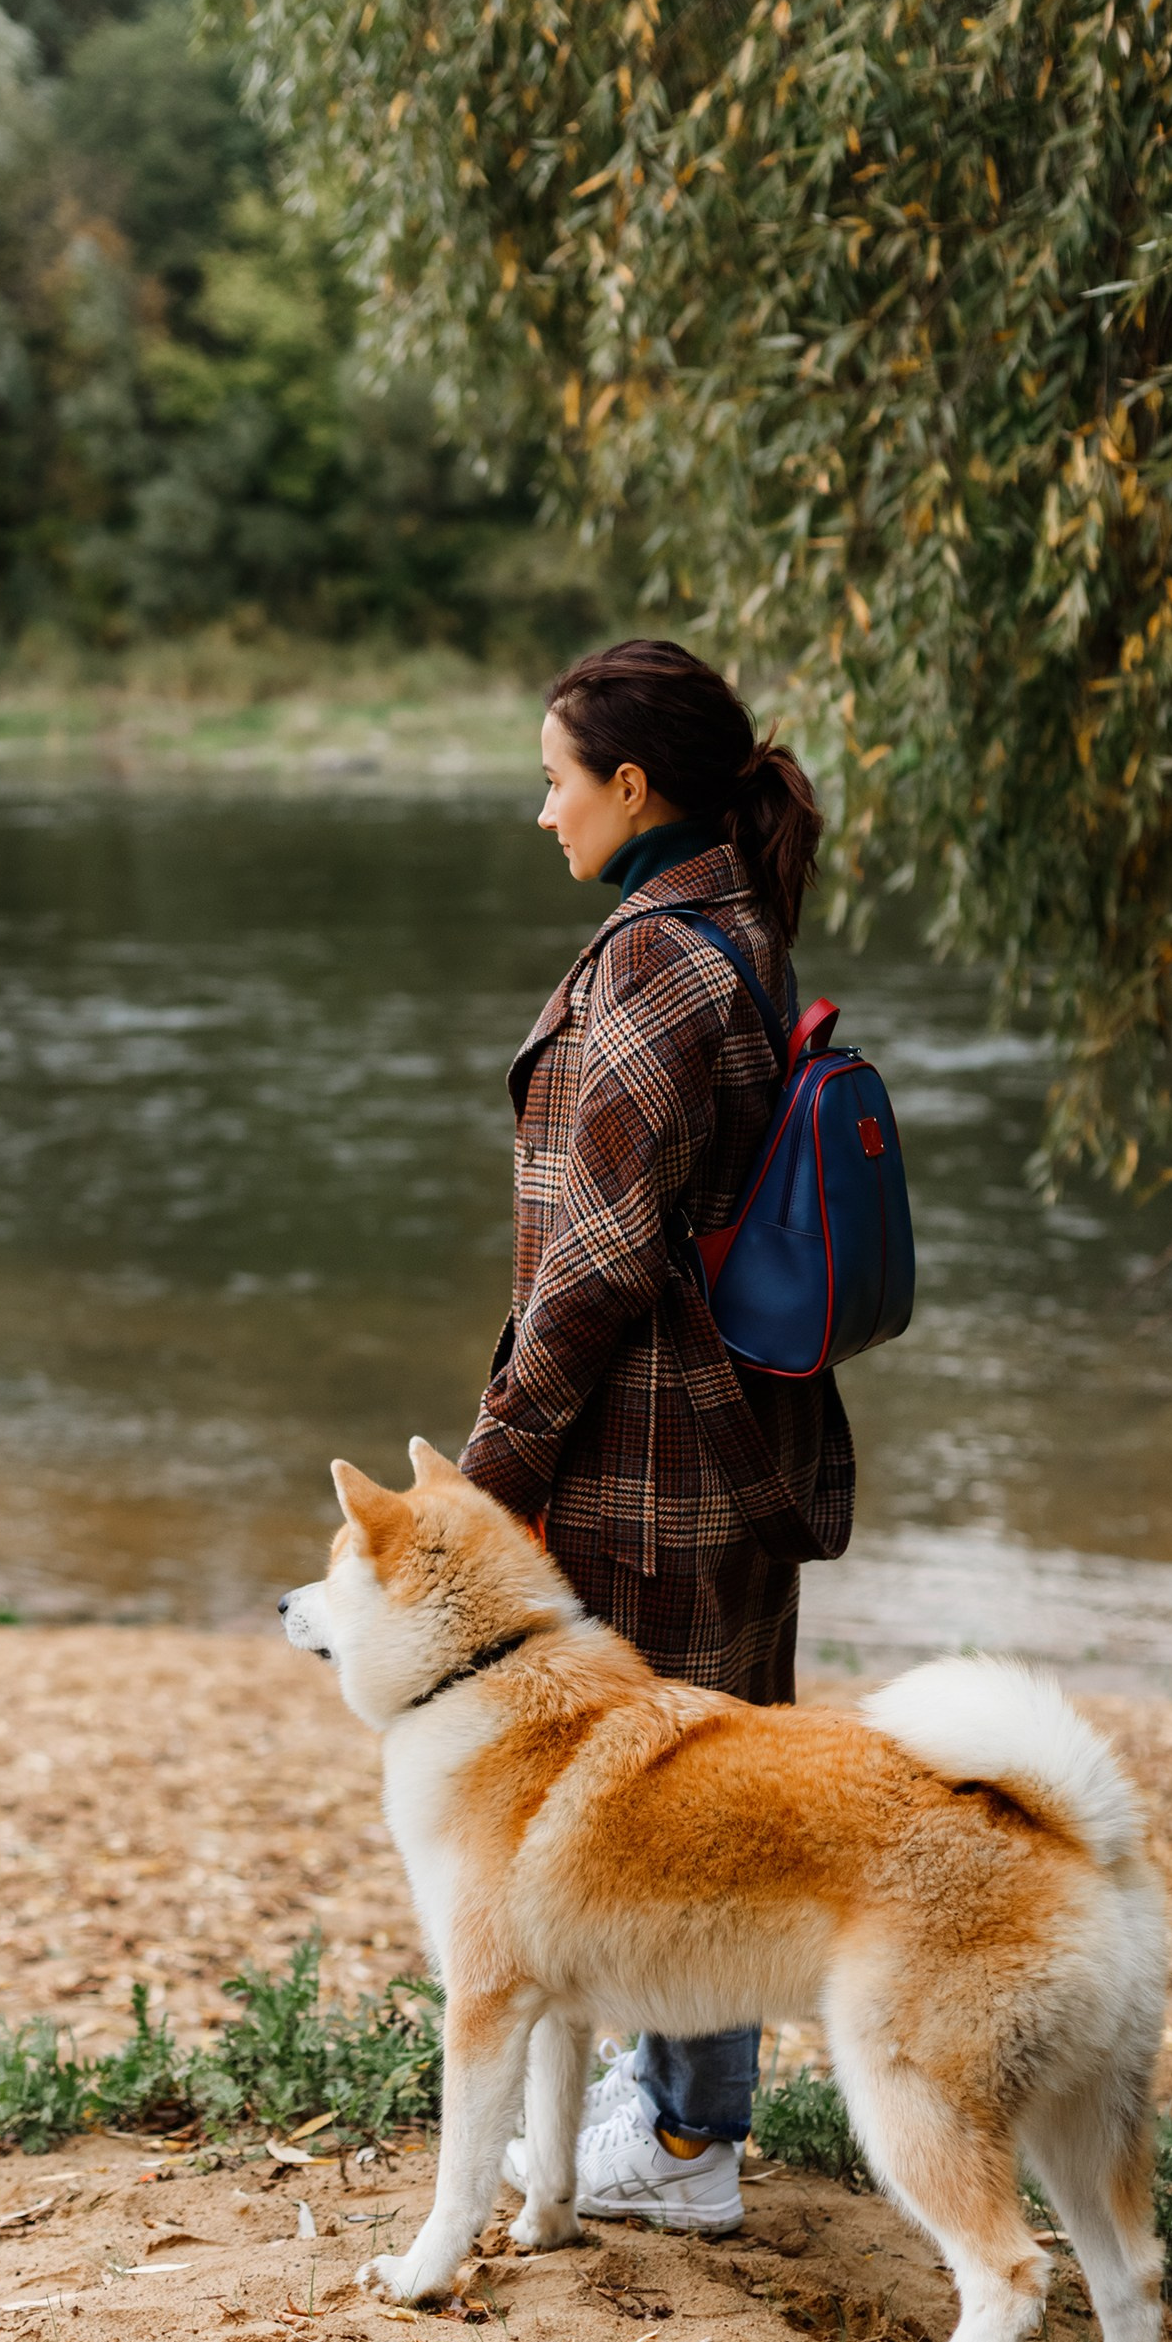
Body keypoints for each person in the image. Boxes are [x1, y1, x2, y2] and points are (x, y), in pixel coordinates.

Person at [459, 636, 855, 2234]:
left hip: (656, 1463)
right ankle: (680, 2107)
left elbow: (599, 1261)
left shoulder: (658, 966)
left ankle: (690, 2145)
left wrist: (495, 1466)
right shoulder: (724, 931)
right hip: (726, 1440)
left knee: (684, 1798)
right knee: (709, 1768)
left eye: (555, 778)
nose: (539, 808)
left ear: (633, 788)